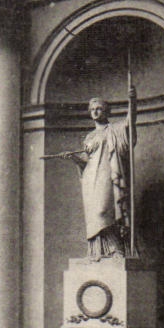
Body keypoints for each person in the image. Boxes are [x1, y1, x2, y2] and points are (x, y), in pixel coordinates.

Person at [58, 97, 133, 259]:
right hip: (90, 177)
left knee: (103, 210)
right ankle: (99, 251)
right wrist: (72, 157)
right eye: (92, 109)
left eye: (99, 108)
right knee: (94, 215)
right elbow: (85, 161)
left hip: (107, 173)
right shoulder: (89, 137)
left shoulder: (114, 129)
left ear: (106, 111)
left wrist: (132, 102)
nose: (95, 112)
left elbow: (129, 125)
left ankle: (117, 249)